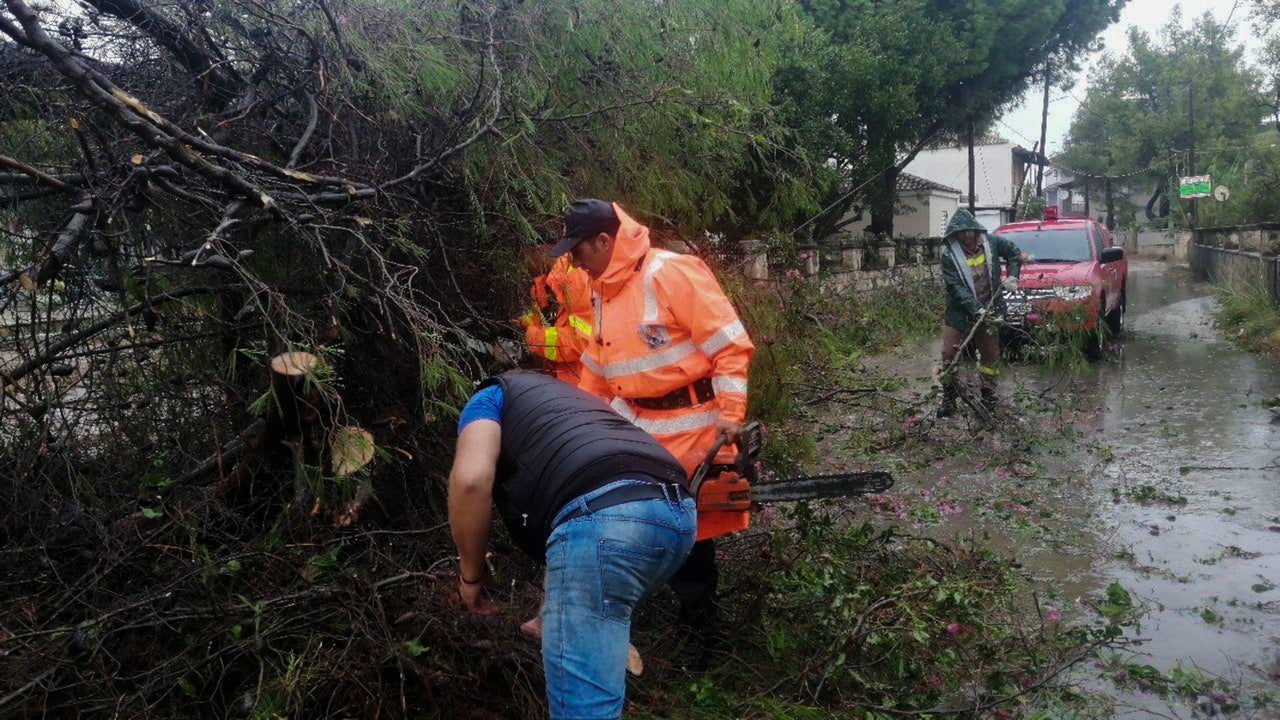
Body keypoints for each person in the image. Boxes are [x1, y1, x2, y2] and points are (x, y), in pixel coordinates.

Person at [546, 198, 754, 664]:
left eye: (578, 250)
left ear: (604, 240)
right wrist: (578, 422)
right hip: (638, 429)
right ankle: (642, 613)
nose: (573, 261)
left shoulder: (672, 272)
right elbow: (598, 369)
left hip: (694, 426)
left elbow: (730, 348)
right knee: (637, 524)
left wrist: (732, 412)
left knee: (694, 533)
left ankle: (701, 631)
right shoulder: (601, 288)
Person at [449, 370, 696, 719]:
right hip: (677, 517)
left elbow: (471, 481)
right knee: (602, 603)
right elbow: (577, 494)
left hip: (605, 521)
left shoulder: (490, 397)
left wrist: (470, 579)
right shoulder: (575, 404)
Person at [937, 209, 1023, 417]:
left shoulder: (992, 243)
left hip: (990, 309)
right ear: (954, 234)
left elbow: (1015, 254)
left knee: (990, 355)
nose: (966, 236)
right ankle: (949, 398)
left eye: (969, 231)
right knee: (949, 354)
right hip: (959, 312)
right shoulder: (949, 256)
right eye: (961, 232)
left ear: (975, 230)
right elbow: (956, 287)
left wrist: (1012, 276)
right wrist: (976, 309)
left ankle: (988, 396)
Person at [521, 254, 594, 384]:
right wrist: (524, 325)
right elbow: (546, 318)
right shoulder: (545, 282)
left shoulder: (577, 277)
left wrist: (533, 337)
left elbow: (581, 341)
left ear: (539, 249)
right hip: (561, 380)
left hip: (582, 384)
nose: (523, 265)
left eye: (522, 255)